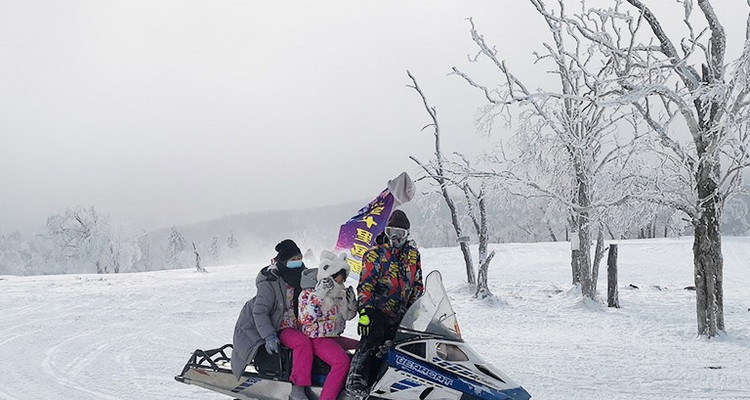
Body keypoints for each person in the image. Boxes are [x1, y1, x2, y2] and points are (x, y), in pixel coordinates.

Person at [344, 209, 424, 397]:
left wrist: (417, 306)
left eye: (400, 234)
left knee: (405, 345)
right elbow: (365, 285)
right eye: (391, 232)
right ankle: (356, 379)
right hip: (377, 309)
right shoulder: (375, 254)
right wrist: (366, 312)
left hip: (403, 310)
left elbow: (418, 283)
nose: (395, 238)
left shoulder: (413, 254)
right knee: (373, 337)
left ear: (407, 234)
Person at [231, 239, 314, 400]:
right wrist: (269, 336)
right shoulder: (271, 281)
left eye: (299, 258)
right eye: (293, 260)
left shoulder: (305, 277)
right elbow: (260, 312)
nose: (297, 262)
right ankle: (298, 389)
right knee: (302, 343)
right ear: (284, 262)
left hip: (300, 323)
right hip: (280, 325)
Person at [297, 250, 359, 400]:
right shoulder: (308, 294)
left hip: (334, 337)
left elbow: (347, 317)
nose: (340, 284)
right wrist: (319, 296)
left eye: (342, 281)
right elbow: (306, 318)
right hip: (317, 338)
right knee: (341, 362)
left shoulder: (339, 294)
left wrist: (352, 305)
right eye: (337, 280)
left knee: (363, 348)